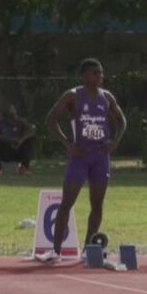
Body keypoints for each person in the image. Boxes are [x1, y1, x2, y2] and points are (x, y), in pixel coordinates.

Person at [36, 58, 126, 262]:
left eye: (101, 73)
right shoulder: (73, 95)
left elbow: (122, 121)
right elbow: (51, 120)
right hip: (80, 156)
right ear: (84, 76)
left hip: (101, 156)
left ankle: (88, 249)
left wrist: (115, 142)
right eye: (95, 73)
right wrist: (68, 144)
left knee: (97, 204)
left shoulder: (107, 97)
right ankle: (56, 251)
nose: (100, 76)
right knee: (67, 202)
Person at [0, 103, 37, 175]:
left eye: (14, 109)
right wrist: (9, 140)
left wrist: (22, 139)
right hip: (6, 151)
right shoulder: (0, 122)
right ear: (6, 112)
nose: (14, 111)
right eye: (11, 109)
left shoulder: (21, 121)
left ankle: (24, 168)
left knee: (30, 139)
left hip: (18, 149)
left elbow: (33, 130)